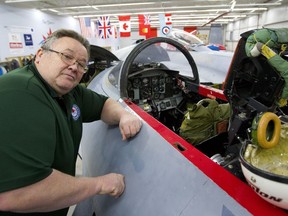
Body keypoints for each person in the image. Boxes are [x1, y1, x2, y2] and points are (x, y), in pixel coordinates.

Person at [0, 29, 142, 215]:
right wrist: (100, 184)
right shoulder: (21, 92)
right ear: (40, 55)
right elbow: (17, 194)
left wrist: (124, 115)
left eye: (81, 64)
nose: (74, 67)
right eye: (67, 56)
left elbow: (103, 105)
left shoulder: (68, 91)